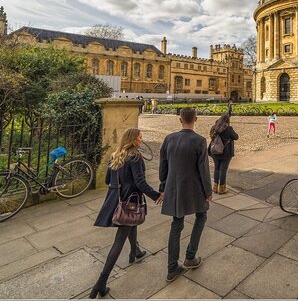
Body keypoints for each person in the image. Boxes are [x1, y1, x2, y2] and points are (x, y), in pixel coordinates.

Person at [90, 128, 160, 299]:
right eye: (140, 138)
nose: (141, 141)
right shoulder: (135, 156)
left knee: (131, 223)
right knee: (119, 241)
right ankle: (100, 282)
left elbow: (108, 180)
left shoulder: (116, 154)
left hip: (115, 198)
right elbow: (140, 182)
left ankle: (134, 251)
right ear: (132, 140)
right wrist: (156, 195)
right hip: (129, 201)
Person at [157, 107, 213, 282]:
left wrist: (163, 186)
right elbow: (203, 170)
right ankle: (190, 256)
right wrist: (208, 191)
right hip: (195, 188)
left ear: (180, 120)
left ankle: (172, 268)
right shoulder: (200, 141)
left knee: (177, 224)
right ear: (195, 119)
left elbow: (163, 166)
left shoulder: (169, 139)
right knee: (201, 216)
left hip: (174, 188)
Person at [208, 114, 239, 194]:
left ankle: (215, 187)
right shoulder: (228, 128)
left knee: (217, 168)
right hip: (226, 152)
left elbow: (211, 136)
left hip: (215, 151)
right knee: (223, 170)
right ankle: (221, 188)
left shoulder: (214, 127)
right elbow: (236, 137)